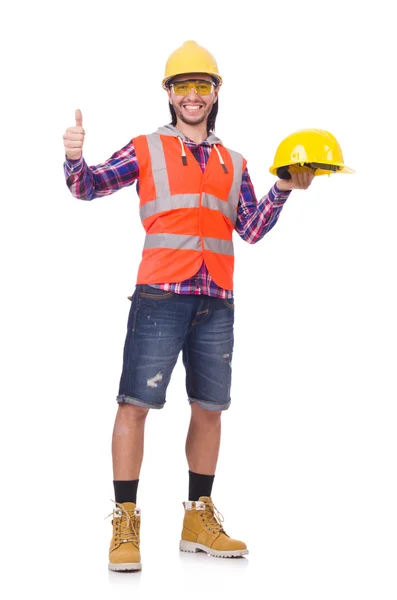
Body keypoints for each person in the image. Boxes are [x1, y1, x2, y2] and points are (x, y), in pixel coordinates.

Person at [63, 40, 315, 572]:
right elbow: (87, 188)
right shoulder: (147, 148)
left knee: (210, 409)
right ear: (170, 94)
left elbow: (249, 228)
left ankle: (197, 518)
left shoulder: (234, 161)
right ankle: (125, 520)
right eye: (184, 87)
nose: (193, 96)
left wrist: (284, 188)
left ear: (216, 92)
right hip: (160, 295)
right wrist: (73, 157)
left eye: (202, 86)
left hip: (216, 301)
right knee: (134, 404)